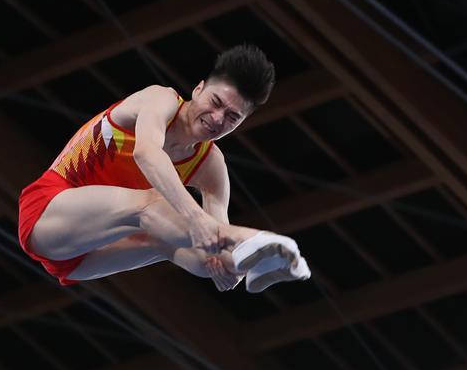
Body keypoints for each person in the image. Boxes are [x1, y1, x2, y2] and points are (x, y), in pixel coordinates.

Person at [17, 44, 310, 292]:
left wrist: (228, 267)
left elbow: (214, 233)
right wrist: (198, 218)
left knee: (191, 251)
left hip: (87, 258)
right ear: (198, 89)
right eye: (216, 101)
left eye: (232, 117)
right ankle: (261, 242)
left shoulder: (211, 167)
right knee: (154, 204)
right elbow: (146, 153)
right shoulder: (160, 99)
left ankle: (257, 262)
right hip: (47, 215)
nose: (218, 118)